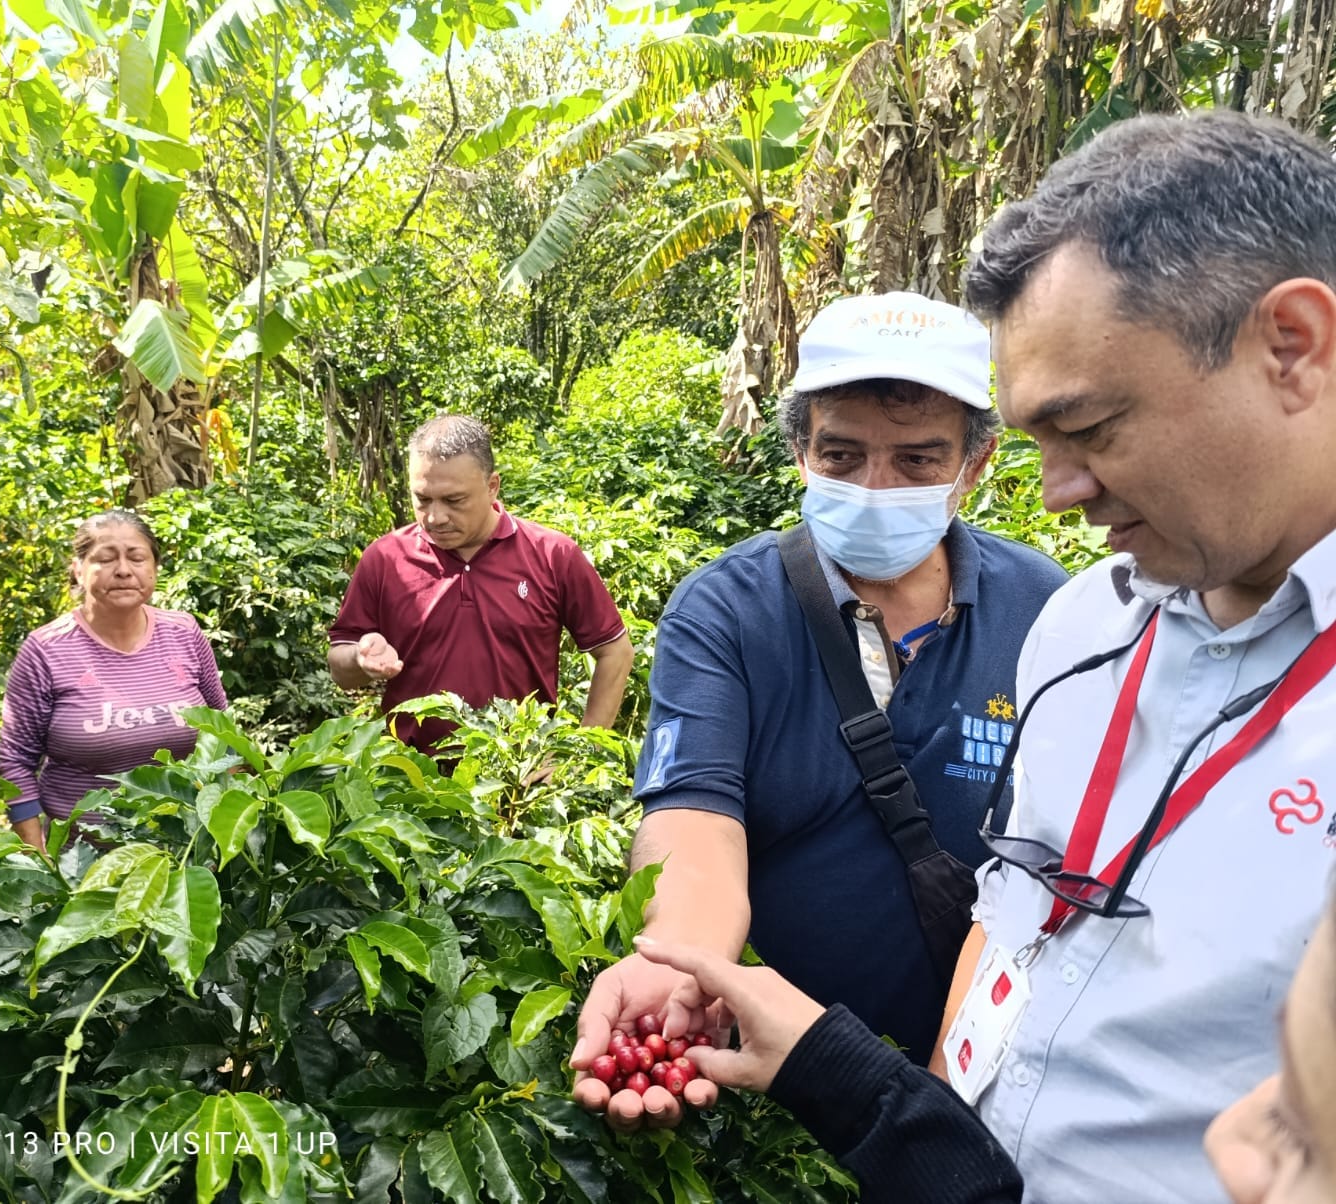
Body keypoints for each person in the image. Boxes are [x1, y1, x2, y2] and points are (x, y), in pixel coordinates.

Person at [922, 109, 1336, 1203]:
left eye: (1093, 429)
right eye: (1035, 443)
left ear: (1290, 345)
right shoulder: (1082, 622)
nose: (1058, 492)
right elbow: (1012, 911)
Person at [573, 293, 1069, 1128]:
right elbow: (694, 826)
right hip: (773, 1089)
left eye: (917, 462)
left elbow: (1057, 867)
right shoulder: (727, 611)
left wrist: (942, 1108)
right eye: (842, 454)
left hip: (986, 1091)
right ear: (800, 451)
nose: (876, 488)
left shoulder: (1047, 610)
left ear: (974, 466)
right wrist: (684, 961)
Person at [625, 880, 1336, 1204]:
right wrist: (882, 1084)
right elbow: (1008, 907)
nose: (1227, 1145)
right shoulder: (1079, 629)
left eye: (1295, 1132)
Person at [327, 414, 633, 755]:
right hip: (408, 781)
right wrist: (359, 657)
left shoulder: (552, 555)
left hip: (517, 781)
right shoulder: (384, 559)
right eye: (423, 500)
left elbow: (615, 651)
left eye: (454, 501)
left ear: (492, 487)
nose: (435, 517)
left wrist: (575, 754)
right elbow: (341, 668)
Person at [0, 509, 227, 850]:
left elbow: (223, 731)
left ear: (154, 569)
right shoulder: (46, 650)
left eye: (137, 558)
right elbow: (14, 764)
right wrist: (39, 859)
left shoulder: (184, 632)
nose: (123, 570)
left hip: (187, 860)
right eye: (105, 559)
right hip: (82, 867)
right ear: (78, 569)